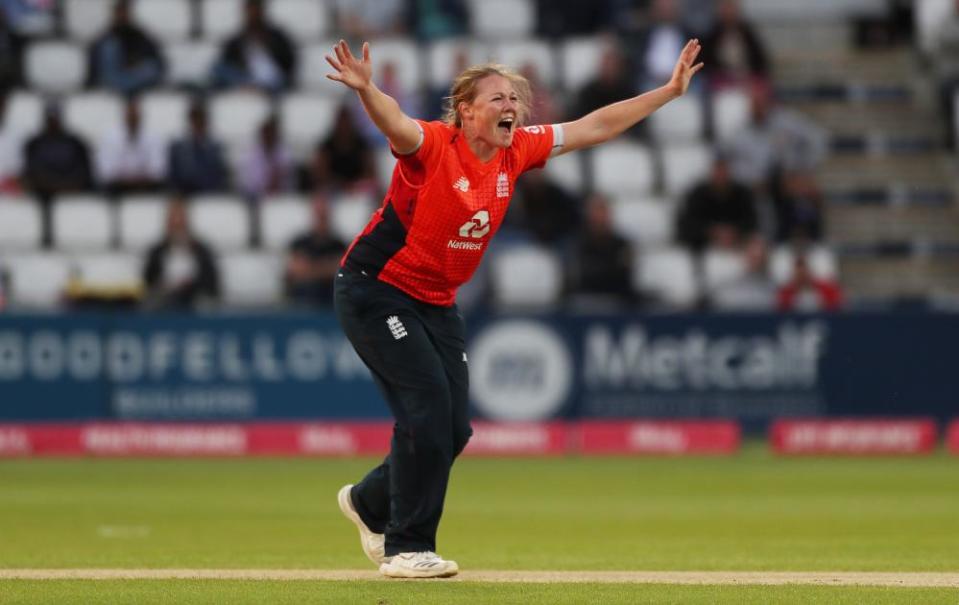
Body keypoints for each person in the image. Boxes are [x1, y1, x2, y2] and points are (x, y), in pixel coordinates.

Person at [326, 37, 703, 578]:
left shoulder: (516, 150)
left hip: (434, 301)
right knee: (426, 408)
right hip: (376, 289)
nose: (511, 107)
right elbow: (396, 124)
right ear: (466, 110)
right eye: (497, 98)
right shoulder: (433, 145)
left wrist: (667, 92)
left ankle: (368, 502)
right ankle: (406, 546)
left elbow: (593, 126)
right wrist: (368, 89)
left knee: (453, 431)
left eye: (514, 99)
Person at [142, 198, 220, 310]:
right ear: (168, 223)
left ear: (187, 222)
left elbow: (211, 283)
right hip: (164, 299)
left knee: (205, 304)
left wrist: (190, 285)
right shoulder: (157, 252)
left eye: (180, 221)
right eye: (174, 222)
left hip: (194, 298)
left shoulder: (201, 251)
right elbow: (147, 282)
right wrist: (165, 286)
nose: (177, 225)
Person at [211, 0, 297, 93]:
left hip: (272, 81)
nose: (253, 15)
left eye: (255, 11)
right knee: (218, 69)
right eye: (250, 11)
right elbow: (227, 61)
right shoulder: (239, 39)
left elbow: (289, 62)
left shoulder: (276, 36)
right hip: (247, 78)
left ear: (262, 12)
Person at [566, 193, 635, 307]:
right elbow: (582, 277)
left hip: (617, 301)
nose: (599, 217)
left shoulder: (621, 244)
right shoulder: (577, 244)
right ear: (588, 216)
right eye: (596, 212)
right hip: (586, 301)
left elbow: (624, 278)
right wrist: (611, 268)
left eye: (603, 211)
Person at [87, 0, 165, 96]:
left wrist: (135, 63)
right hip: (113, 78)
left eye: (124, 12)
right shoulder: (106, 38)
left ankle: (127, 89)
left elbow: (155, 59)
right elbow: (97, 63)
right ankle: (125, 89)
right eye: (119, 12)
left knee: (151, 69)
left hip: (134, 75)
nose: (122, 15)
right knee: (109, 47)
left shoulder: (139, 34)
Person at [284, 195, 346, 307]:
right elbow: (296, 271)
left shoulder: (338, 244)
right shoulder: (299, 243)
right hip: (302, 301)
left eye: (324, 215)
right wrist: (327, 267)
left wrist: (310, 268)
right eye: (319, 215)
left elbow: (340, 273)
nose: (321, 219)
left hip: (330, 302)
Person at [96, 97, 166, 195]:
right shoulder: (109, 138)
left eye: (134, 116)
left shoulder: (154, 137)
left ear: (140, 116)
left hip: (147, 189)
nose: (132, 119)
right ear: (124, 116)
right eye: (130, 116)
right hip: (117, 190)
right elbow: (105, 172)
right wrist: (131, 178)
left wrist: (132, 178)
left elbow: (159, 172)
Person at [167, 101, 230, 194]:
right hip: (185, 195)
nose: (198, 123)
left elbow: (221, 176)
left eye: (201, 119)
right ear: (190, 121)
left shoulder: (216, 148)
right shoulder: (177, 148)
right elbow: (175, 177)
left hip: (211, 194)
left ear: (206, 122)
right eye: (195, 119)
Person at [776, 253, 842, 312]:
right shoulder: (786, 292)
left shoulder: (826, 289)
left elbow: (837, 307)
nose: (802, 276)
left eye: (804, 272)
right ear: (794, 273)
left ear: (809, 271)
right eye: (799, 273)